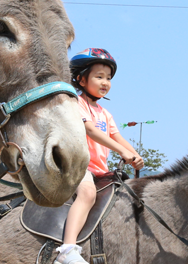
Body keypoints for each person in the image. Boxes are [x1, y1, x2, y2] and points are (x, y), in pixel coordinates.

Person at [55, 48, 144, 264]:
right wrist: (121, 152)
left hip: (100, 169)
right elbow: (91, 131)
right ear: (81, 79)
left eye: (109, 78)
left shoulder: (105, 113)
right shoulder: (76, 103)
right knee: (87, 194)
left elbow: (117, 137)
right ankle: (66, 250)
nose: (105, 82)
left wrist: (133, 154)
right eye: (99, 76)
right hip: (78, 165)